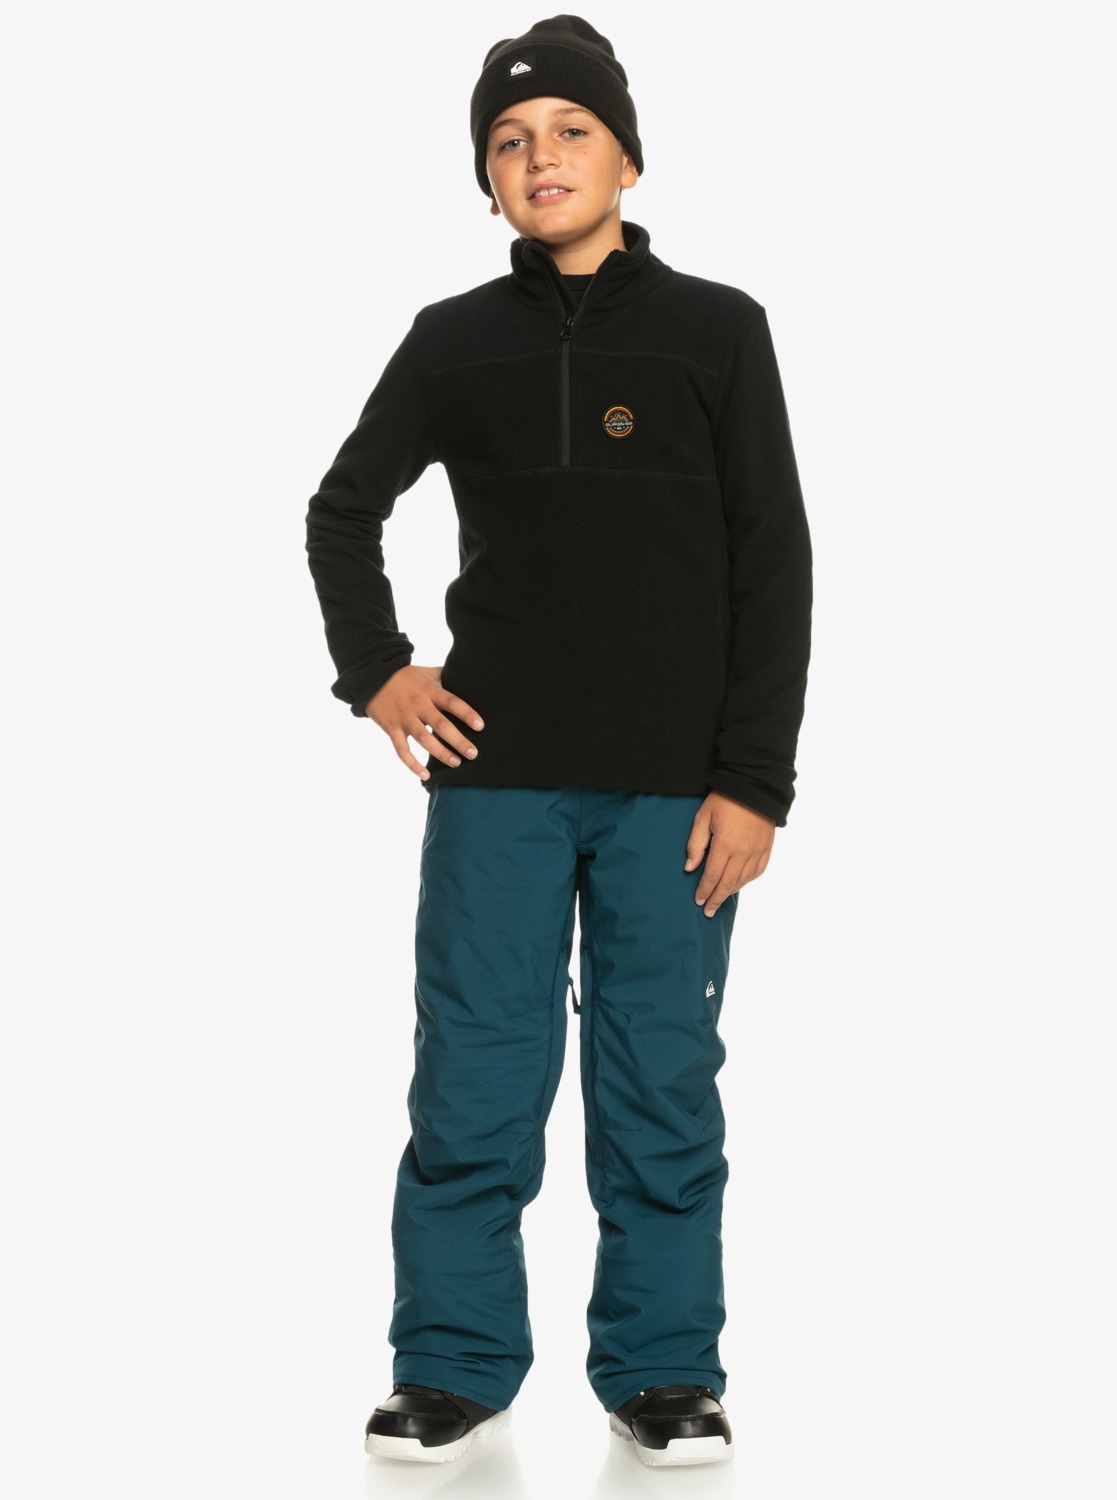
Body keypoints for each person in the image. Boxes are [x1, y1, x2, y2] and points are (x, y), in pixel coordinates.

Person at [304, 12, 813, 1469]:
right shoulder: (452, 342)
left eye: (572, 132)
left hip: (675, 793)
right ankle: (449, 1366)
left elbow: (772, 562)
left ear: (627, 159)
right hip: (498, 784)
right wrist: (379, 674)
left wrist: (753, 781)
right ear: (486, 182)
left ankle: (664, 1370)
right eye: (510, 141)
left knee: (660, 1079)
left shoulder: (719, 331)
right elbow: (342, 512)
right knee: (473, 1073)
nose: (542, 157)